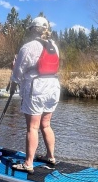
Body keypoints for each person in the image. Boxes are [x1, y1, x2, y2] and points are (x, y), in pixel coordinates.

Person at [9, 16, 61, 173]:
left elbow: (18, 72)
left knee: (32, 127)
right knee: (46, 124)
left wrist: (13, 85)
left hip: (36, 88)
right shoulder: (53, 45)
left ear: (32, 30)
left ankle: (28, 163)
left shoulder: (28, 47)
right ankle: (50, 157)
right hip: (53, 86)